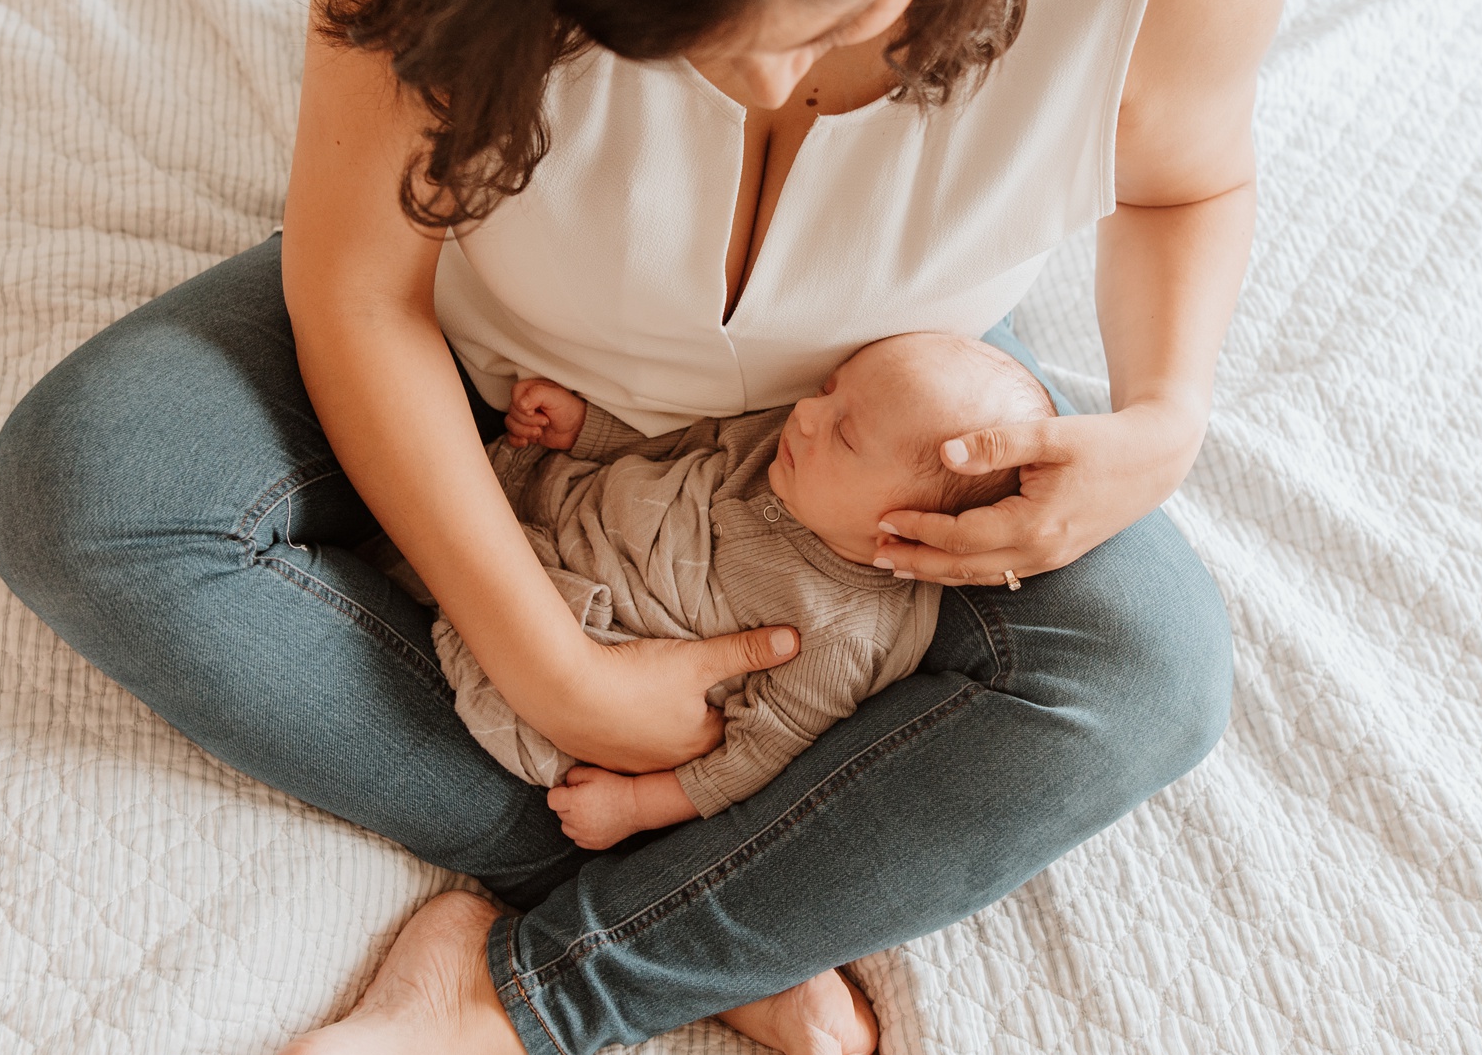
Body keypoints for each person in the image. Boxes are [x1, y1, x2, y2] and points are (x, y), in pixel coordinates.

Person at [0, 0, 1281, 1055]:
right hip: (493, 352)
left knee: (1145, 669)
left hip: (847, 422)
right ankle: (712, 921)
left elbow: (1187, 186)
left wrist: (1164, 416)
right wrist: (558, 673)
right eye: (690, 42)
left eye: (846, 21)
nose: (771, 82)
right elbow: (360, 285)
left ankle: (530, 995)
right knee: (84, 490)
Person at [430, 334, 1057, 849]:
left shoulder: (842, 635)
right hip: (538, 503)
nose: (807, 414)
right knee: (445, 506)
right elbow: (683, 440)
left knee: (471, 651)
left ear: (907, 527)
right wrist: (585, 430)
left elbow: (756, 753)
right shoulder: (781, 445)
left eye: (845, 435)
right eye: (827, 389)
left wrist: (635, 805)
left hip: (584, 624)